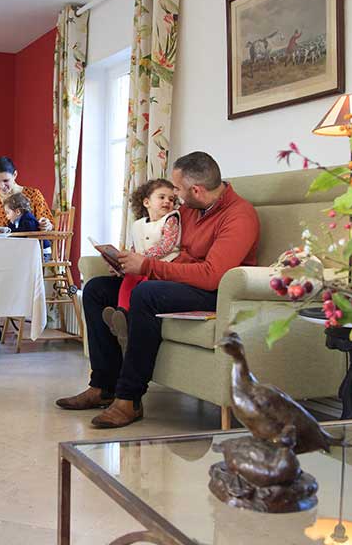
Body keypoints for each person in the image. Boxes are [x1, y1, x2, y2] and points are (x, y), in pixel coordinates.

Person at [56, 151, 260, 428]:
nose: (174, 196)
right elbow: (165, 247)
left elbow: (212, 276)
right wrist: (128, 263)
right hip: (178, 281)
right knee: (96, 290)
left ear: (196, 190)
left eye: (177, 189)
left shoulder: (239, 216)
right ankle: (103, 386)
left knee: (146, 294)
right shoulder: (189, 209)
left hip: (215, 293)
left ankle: (129, 398)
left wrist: (148, 267)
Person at [0, 156, 55, 344]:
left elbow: (48, 222)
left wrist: (45, 224)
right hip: (4, 249)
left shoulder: (33, 195)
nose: (2, 186)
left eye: (6, 180)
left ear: (15, 175)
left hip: (30, 252)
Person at [102, 178, 181, 355]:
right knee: (128, 280)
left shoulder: (171, 220)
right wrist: (122, 261)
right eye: (162, 197)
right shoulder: (138, 225)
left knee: (144, 286)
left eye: (171, 199)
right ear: (146, 202)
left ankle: (125, 321)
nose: (167, 202)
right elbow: (134, 248)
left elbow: (166, 246)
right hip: (140, 265)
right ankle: (121, 314)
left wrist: (141, 258)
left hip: (162, 266)